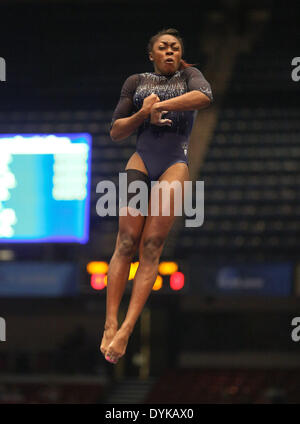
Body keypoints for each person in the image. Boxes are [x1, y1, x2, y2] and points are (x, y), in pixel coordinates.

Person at [100, 28, 213, 364]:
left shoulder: (191, 76)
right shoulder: (136, 82)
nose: (169, 52)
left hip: (173, 163)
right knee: (125, 241)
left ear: (181, 54)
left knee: (151, 246)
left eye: (175, 48)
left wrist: (160, 104)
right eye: (163, 47)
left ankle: (127, 328)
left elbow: (204, 97)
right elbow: (117, 131)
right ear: (151, 53)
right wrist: (142, 114)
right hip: (141, 160)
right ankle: (110, 322)